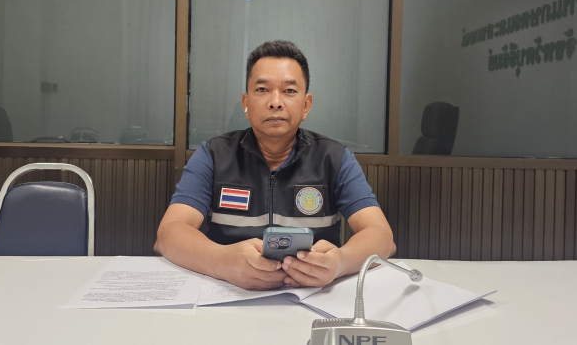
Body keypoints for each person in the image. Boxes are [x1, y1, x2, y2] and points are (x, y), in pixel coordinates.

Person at [154, 40, 396, 290]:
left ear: (306, 105)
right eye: (262, 90)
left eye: (289, 91)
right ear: (245, 103)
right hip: (230, 293)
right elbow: (169, 233)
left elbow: (382, 236)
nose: (276, 102)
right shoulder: (214, 155)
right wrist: (222, 262)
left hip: (312, 296)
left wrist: (340, 263)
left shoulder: (334, 158)